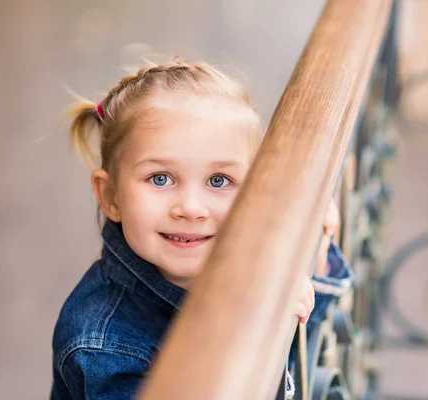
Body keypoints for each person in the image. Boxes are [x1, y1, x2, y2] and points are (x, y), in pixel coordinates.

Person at [51, 57, 339, 400]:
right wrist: (251, 321)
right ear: (110, 195)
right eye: (160, 178)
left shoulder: (248, 252)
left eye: (219, 180)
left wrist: (313, 249)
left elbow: (310, 352)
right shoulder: (105, 346)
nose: (190, 208)